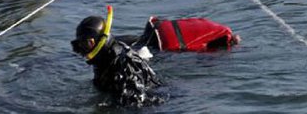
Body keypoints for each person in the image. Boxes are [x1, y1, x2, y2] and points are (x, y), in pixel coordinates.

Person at [71, 6, 240, 105]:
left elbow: (136, 105)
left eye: (87, 44)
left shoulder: (121, 66)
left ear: (98, 41)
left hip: (167, 102)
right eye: (81, 45)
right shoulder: (106, 59)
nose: (84, 51)